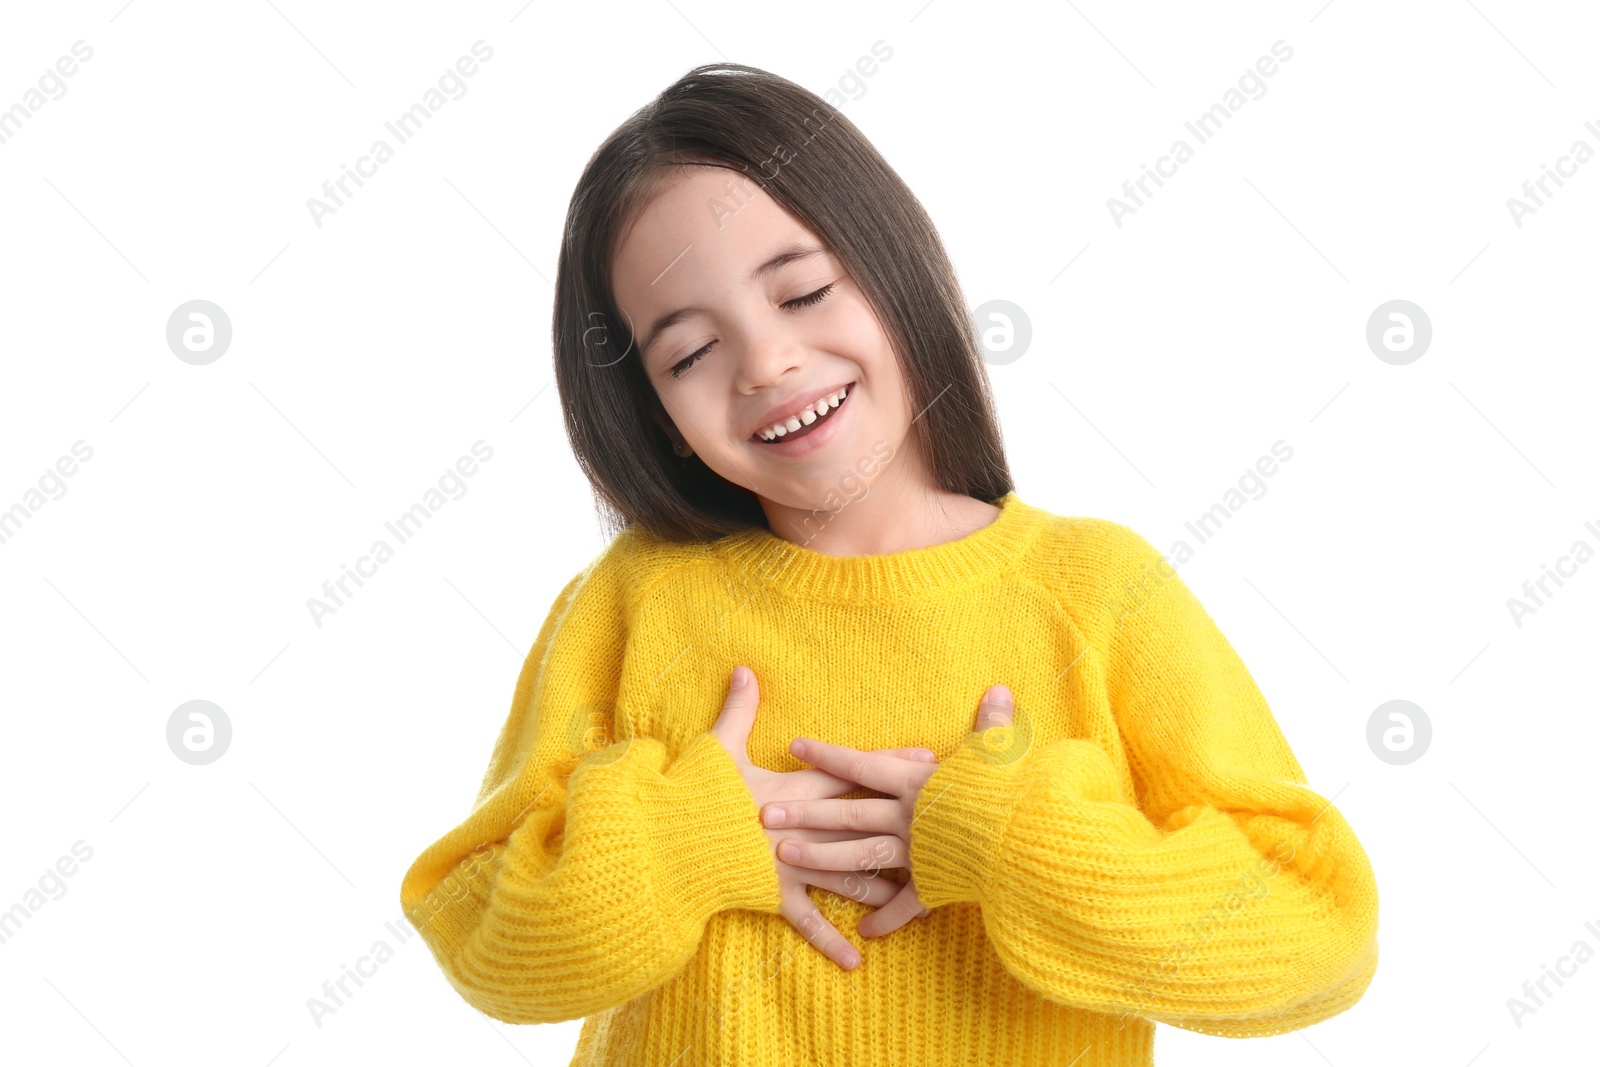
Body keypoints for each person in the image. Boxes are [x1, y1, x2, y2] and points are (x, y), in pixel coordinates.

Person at [397, 62, 1379, 1067]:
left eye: (805, 290)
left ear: (893, 270)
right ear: (656, 414)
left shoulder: (1095, 591)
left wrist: (1008, 843)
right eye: (689, 352)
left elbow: (1317, 936)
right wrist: (687, 835)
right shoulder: (633, 602)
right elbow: (481, 941)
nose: (766, 362)